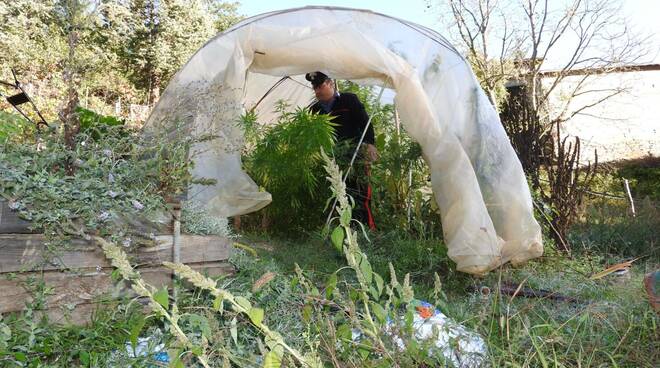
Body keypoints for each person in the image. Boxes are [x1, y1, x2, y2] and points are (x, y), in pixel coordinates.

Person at [305, 71, 377, 230]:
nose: (317, 90)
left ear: (331, 83)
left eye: (320, 86)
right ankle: (344, 229)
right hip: (332, 159)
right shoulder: (315, 110)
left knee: (360, 193)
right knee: (338, 194)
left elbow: (365, 123)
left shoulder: (349, 100)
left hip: (355, 156)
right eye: (314, 87)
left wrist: (370, 144)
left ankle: (367, 229)